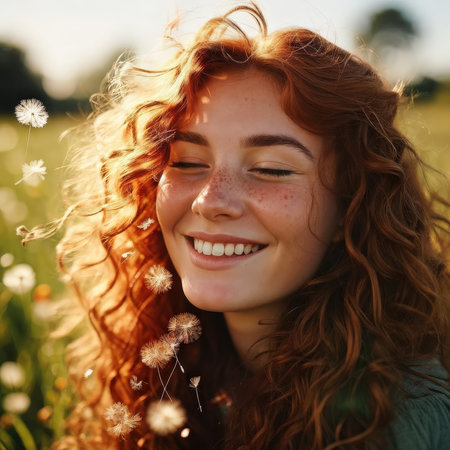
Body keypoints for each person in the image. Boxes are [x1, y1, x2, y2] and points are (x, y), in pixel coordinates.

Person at [25, 3, 449, 449]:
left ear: (352, 205)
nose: (211, 202)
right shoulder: (173, 376)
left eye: (270, 169)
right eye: (187, 162)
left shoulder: (407, 422)